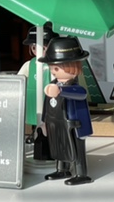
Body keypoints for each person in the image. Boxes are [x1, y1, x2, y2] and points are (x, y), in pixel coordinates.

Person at [39, 36, 93, 186]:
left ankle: (81, 173)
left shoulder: (73, 87)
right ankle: (62, 169)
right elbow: (47, 104)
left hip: (75, 125)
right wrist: (44, 121)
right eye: (52, 67)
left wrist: (61, 91)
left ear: (72, 66)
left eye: (57, 68)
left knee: (77, 150)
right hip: (56, 123)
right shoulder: (53, 85)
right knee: (59, 146)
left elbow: (80, 93)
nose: (53, 71)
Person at [17, 24, 60, 158]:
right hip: (32, 97)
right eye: (35, 47)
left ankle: (48, 139)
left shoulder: (53, 66)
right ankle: (34, 135)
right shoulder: (29, 64)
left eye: (43, 48)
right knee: (34, 119)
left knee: (47, 120)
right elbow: (19, 79)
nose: (38, 51)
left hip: (47, 97)